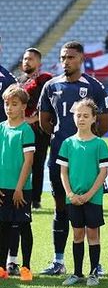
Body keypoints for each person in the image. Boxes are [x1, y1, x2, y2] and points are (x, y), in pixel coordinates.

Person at [38, 42, 108, 277]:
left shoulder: (95, 86)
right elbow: (44, 122)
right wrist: (64, 142)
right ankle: (58, 261)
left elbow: (106, 124)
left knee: (91, 211)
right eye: (62, 57)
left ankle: (95, 265)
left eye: (70, 57)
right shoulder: (51, 86)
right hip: (60, 157)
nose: (65, 61)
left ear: (81, 59)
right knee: (61, 208)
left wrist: (86, 145)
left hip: (88, 162)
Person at [57, 99, 108, 287]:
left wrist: (89, 194)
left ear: (94, 119)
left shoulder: (99, 144)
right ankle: (77, 273)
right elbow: (63, 172)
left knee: (93, 234)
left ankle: (94, 273)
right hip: (73, 198)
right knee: (77, 234)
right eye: (78, 115)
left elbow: (103, 172)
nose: (81, 119)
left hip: (93, 198)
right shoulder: (67, 143)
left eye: (86, 116)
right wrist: (70, 194)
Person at [0, 85, 35, 281]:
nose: (9, 108)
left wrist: (20, 188)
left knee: (23, 226)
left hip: (22, 189)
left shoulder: (26, 130)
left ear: (23, 107)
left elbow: (28, 161)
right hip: (3, 188)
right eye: (6, 104)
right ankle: (2, 267)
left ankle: (26, 267)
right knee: (3, 226)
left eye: (14, 104)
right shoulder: (0, 128)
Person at [20, 48, 52, 212]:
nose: (27, 61)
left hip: (39, 130)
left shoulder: (45, 80)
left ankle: (36, 200)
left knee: (37, 164)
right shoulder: (19, 81)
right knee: (21, 163)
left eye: (31, 59)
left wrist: (32, 119)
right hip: (21, 130)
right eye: (25, 59)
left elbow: (48, 104)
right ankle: (20, 194)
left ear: (39, 62)